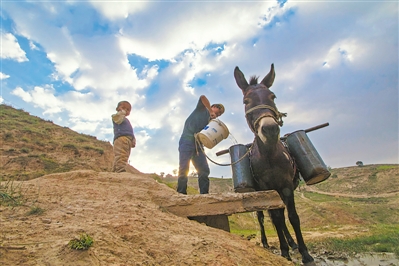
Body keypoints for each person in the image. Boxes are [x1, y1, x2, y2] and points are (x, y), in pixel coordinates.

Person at [177, 95, 225, 194]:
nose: (218, 114)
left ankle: (204, 195)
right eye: (218, 111)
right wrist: (211, 112)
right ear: (213, 107)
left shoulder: (210, 123)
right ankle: (181, 194)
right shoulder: (202, 109)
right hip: (187, 141)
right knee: (184, 168)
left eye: (220, 114)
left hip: (198, 146)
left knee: (204, 170)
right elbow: (202, 97)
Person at [111, 101, 136, 173]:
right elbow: (119, 120)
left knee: (124, 155)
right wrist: (122, 112)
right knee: (122, 155)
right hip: (121, 139)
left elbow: (130, 131)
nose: (125, 110)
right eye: (123, 107)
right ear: (117, 108)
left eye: (128, 109)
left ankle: (115, 170)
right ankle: (120, 170)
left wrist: (133, 139)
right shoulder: (116, 116)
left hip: (128, 140)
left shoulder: (126, 120)